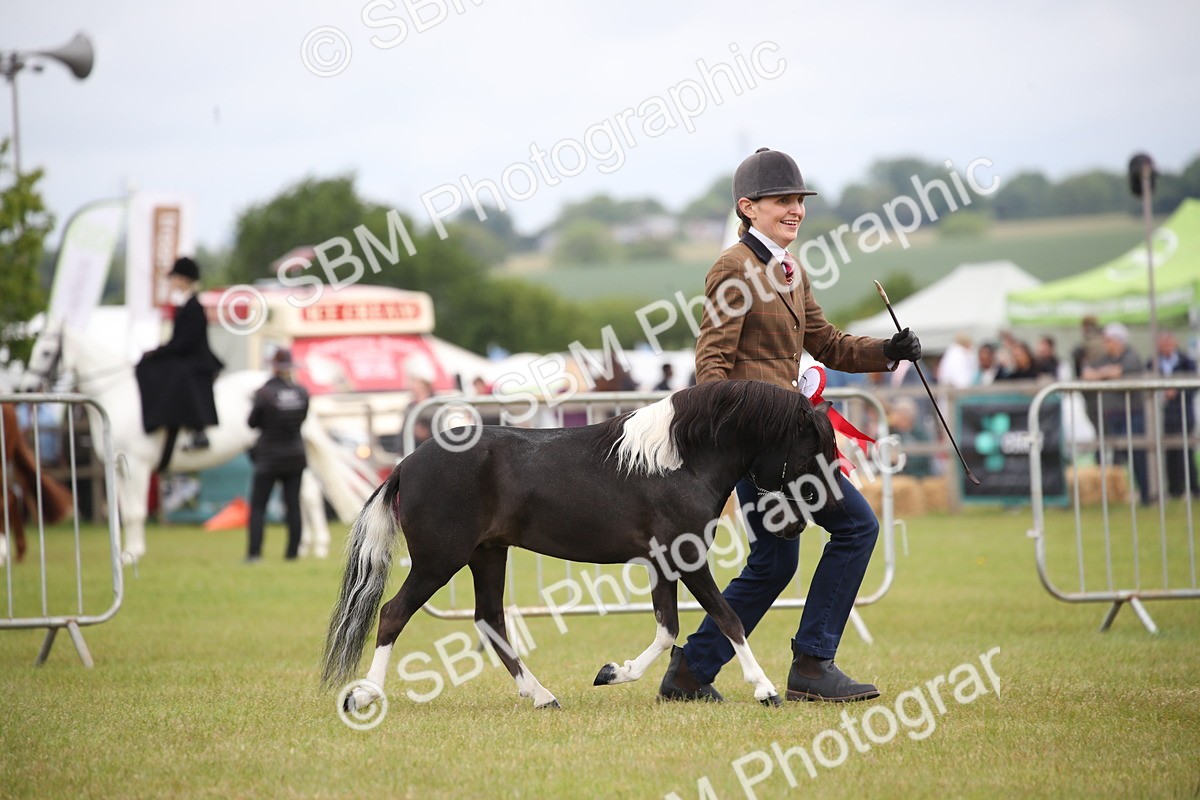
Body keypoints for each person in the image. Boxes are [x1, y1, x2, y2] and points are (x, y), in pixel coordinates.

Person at [659, 147, 922, 704]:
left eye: (799, 200)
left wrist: (888, 350)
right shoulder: (734, 267)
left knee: (774, 561)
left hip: (787, 444)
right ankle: (811, 663)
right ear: (748, 207)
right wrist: (727, 441)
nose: (796, 210)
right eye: (783, 201)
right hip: (762, 447)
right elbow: (712, 361)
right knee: (856, 527)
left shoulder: (788, 268)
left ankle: (691, 672)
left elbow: (825, 343)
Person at [134, 257, 223, 450]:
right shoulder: (184, 305)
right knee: (148, 366)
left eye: (174, 277)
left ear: (183, 279)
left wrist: (160, 352)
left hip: (196, 359)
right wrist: (157, 351)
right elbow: (178, 341)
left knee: (176, 373)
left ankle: (198, 430)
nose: (172, 282)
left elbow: (185, 342)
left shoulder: (194, 306)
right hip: (185, 353)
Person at [246, 348, 310, 562]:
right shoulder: (302, 393)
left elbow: (252, 422)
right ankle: (292, 554)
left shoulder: (263, 393)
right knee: (293, 505)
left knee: (258, 506)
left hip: (268, 458)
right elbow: (302, 419)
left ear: (273, 366)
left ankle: (254, 554)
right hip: (295, 455)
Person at [1082, 323, 1149, 505]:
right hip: (1113, 414)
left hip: (1132, 413)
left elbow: (1118, 371)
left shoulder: (1131, 356)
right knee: (1120, 456)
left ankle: (1146, 495)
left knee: (1138, 455)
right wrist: (1106, 373)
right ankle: (1124, 494)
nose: (1106, 344)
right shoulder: (1105, 358)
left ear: (1119, 341)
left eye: (1109, 340)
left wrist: (1102, 373)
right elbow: (1087, 373)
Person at [1152, 332, 1199, 498]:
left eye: (1168, 342)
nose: (1166, 345)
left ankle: (1193, 488)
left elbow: (1194, 386)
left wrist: (1177, 392)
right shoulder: (1153, 363)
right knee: (1170, 452)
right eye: (1163, 342)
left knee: (1186, 451)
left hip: (1184, 413)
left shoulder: (1187, 361)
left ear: (1175, 343)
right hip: (1163, 414)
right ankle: (1175, 489)